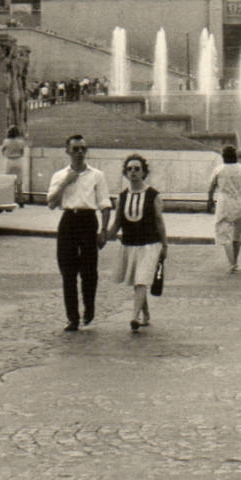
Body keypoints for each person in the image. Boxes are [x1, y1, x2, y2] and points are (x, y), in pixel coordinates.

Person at [46, 134, 112, 332]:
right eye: (75, 149)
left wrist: (103, 230)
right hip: (68, 220)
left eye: (83, 148)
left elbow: (105, 205)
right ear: (67, 151)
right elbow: (51, 203)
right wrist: (66, 182)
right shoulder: (60, 175)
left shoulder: (96, 175)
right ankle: (72, 317)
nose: (80, 153)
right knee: (68, 272)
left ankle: (89, 308)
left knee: (89, 270)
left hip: (87, 220)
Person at [104, 153, 169, 332]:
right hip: (130, 244)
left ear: (143, 172)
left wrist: (165, 244)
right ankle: (145, 314)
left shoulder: (153, 195)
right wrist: (104, 236)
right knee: (137, 280)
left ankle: (134, 317)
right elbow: (117, 222)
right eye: (129, 169)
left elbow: (159, 221)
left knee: (141, 280)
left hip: (150, 244)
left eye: (137, 169)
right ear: (125, 173)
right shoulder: (122, 197)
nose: (133, 172)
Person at [207, 145, 241, 273]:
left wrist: (210, 200)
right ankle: (235, 261)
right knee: (237, 234)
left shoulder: (219, 169)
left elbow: (211, 187)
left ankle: (231, 263)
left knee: (224, 232)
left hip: (224, 202)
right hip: (240, 202)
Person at [0, 125, 27, 207]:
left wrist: (6, 154)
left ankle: (10, 199)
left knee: (9, 181)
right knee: (19, 181)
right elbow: (22, 152)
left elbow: (2, 150)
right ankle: (20, 199)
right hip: (18, 160)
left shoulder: (6, 141)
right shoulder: (20, 141)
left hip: (9, 160)